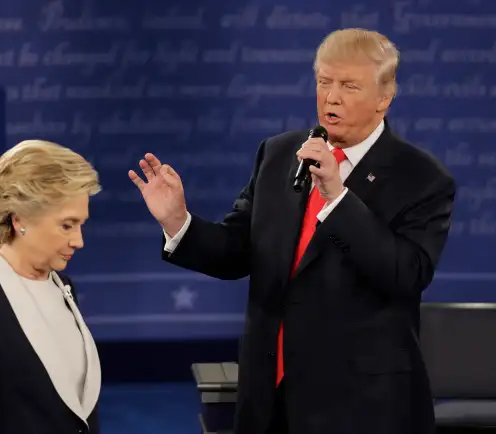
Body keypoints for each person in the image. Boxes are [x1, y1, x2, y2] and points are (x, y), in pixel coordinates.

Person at [129, 28, 456, 434]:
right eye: (324, 82)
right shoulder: (280, 154)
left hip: (360, 405)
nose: (331, 97)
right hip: (269, 397)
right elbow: (238, 250)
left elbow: (406, 274)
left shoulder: (421, 178)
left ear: (384, 97)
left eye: (349, 86)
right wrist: (178, 220)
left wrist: (337, 198)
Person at [0, 140, 102, 434]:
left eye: (81, 225)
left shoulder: (64, 287)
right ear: (20, 219)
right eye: (67, 225)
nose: (78, 241)